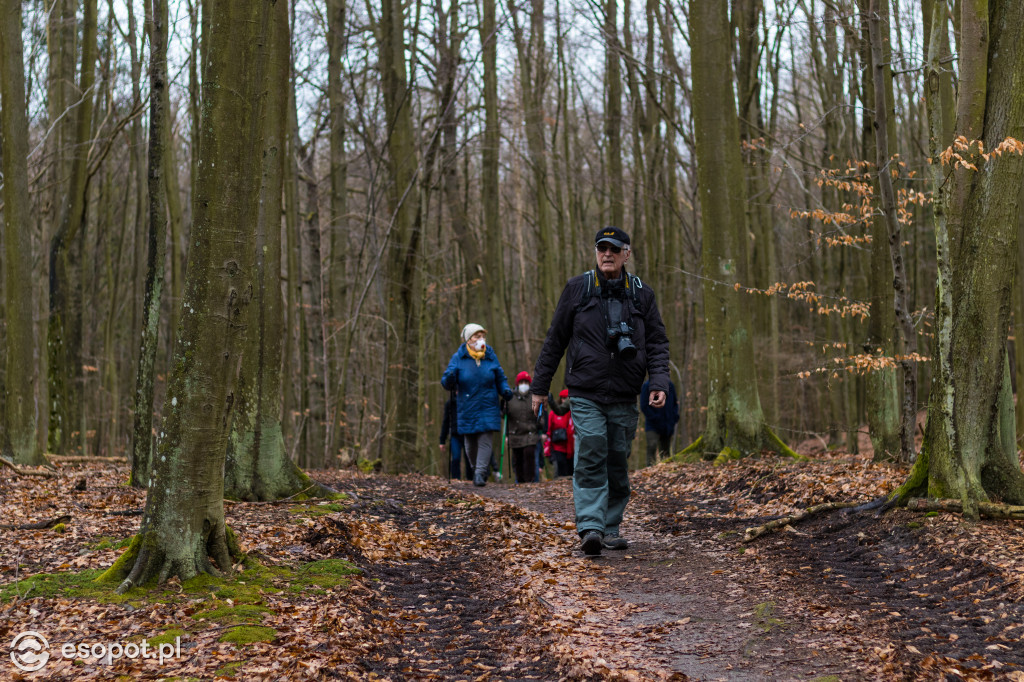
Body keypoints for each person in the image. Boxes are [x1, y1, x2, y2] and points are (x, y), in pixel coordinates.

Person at [532, 226, 670, 556]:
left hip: (624, 393)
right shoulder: (579, 288)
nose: (606, 254)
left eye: (613, 248)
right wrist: (540, 386)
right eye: (601, 248)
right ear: (596, 252)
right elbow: (555, 339)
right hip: (585, 390)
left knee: (617, 460)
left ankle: (611, 527)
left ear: (627, 253)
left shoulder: (642, 294)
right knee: (592, 447)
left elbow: (656, 342)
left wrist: (659, 382)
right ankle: (590, 526)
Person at [441, 323, 514, 487]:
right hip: (467, 406)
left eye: (482, 336)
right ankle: (477, 470)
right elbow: (446, 382)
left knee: (485, 440)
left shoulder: (490, 356)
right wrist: (450, 378)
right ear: (468, 340)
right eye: (476, 336)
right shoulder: (459, 358)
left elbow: (500, 377)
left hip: (488, 404)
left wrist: (506, 391)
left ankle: (480, 473)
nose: (481, 339)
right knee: (470, 444)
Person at [505, 371, 542, 483]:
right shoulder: (510, 397)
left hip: (531, 434)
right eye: (522, 382)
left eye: (526, 382)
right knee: (518, 459)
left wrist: (541, 427)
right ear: (517, 383)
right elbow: (505, 416)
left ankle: (530, 482)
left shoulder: (534, 397)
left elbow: (540, 415)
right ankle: (520, 482)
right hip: (515, 434)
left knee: (530, 457)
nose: (524, 384)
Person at [640, 379, 679, 467]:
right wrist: (654, 417)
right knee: (652, 445)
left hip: (668, 424)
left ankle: (665, 469)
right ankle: (649, 469)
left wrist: (674, 417)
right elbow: (644, 405)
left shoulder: (670, 385)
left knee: (665, 449)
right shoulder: (647, 386)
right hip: (652, 424)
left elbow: (675, 403)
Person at [545, 389, 575, 478]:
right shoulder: (553, 414)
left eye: (566, 398)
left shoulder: (573, 413)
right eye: (562, 398)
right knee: (560, 472)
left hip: (571, 447)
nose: (564, 400)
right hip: (558, 448)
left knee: (571, 472)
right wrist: (547, 447)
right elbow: (549, 430)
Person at [439, 393, 470, 479]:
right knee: (456, 457)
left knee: (469, 459)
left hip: (467, 434)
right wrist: (442, 440)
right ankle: (456, 479)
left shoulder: (468, 401)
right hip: (455, 435)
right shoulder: (450, 403)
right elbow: (445, 422)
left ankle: (471, 479)